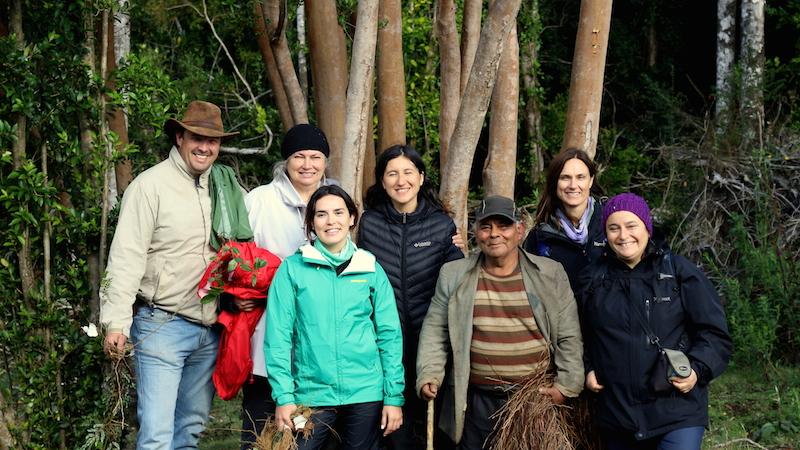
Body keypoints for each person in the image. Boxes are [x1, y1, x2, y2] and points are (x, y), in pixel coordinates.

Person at [100, 100, 243, 448]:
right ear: (180, 137)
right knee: (156, 436)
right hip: (162, 324)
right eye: (197, 137)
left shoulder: (225, 187)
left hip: (210, 328)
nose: (205, 147)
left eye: (213, 141)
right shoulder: (150, 187)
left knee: (190, 431)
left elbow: (241, 250)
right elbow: (126, 256)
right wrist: (115, 321)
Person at [416, 195, 585, 450]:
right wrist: (429, 373)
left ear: (519, 231)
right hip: (476, 402)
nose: (494, 234)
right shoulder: (453, 275)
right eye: (486, 226)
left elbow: (568, 334)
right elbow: (435, 330)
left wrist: (566, 386)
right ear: (476, 232)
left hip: (534, 400)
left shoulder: (550, 273)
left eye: (503, 226)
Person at [579, 193, 732, 450]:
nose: (623, 235)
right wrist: (587, 368)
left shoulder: (678, 272)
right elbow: (577, 334)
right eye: (613, 228)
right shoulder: (592, 280)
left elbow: (715, 334)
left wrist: (696, 369)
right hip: (617, 414)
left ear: (647, 228)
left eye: (631, 226)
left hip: (677, 411)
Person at [265, 185, 405, 450]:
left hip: (365, 393)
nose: (331, 221)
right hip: (309, 395)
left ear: (352, 218)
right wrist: (284, 396)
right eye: (321, 214)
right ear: (311, 224)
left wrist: (393, 397)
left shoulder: (370, 267)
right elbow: (278, 337)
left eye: (339, 212)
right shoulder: (292, 269)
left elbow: (389, 336)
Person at [357, 144, 464, 449]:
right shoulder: (370, 224)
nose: (400, 180)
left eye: (407, 172)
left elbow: (456, 281)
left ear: (421, 177)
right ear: (381, 180)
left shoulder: (441, 225)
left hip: (432, 346)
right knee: (394, 432)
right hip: (385, 347)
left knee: (438, 432)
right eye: (392, 173)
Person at [241, 123, 336, 447]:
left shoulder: (335, 200)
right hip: (267, 327)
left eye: (315, 156)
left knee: (304, 431)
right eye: (299, 156)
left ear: (325, 161)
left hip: (318, 335)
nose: (307, 164)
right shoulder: (260, 200)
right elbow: (237, 258)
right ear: (286, 161)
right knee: (260, 423)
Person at [523, 148, 606, 291]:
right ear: (555, 181)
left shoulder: (611, 224)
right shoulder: (540, 237)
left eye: (580, 177)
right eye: (565, 177)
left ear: (591, 180)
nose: (573, 185)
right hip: (561, 313)